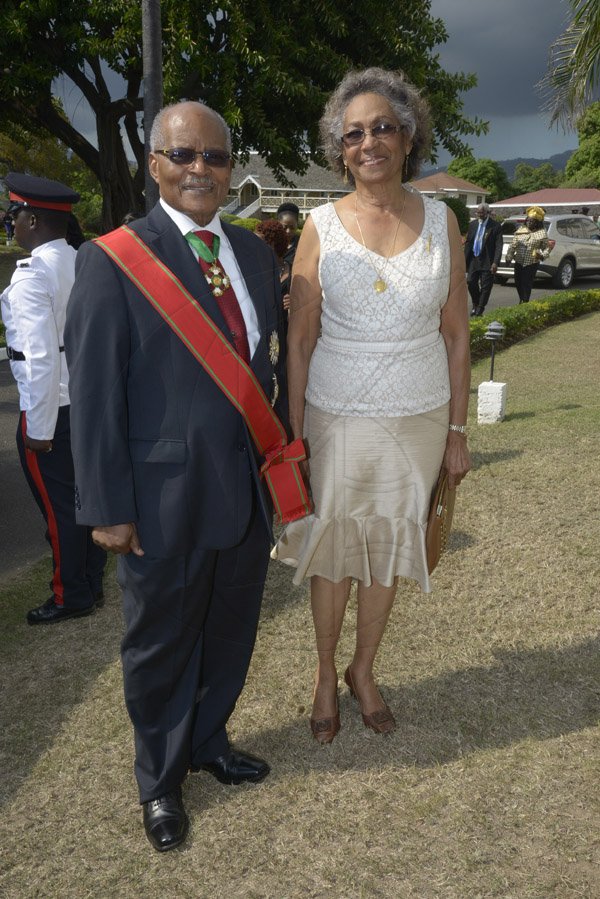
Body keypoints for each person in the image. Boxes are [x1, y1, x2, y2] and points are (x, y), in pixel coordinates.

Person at [65, 101, 290, 852]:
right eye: (184, 155)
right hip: (159, 500)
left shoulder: (256, 255)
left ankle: (209, 740)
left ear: (232, 169)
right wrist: (106, 504)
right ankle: (159, 781)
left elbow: (261, 369)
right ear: (155, 164)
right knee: (161, 642)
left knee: (230, 627)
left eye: (216, 157)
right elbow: (94, 394)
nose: (201, 169)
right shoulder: (114, 259)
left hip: (245, 488)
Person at [272, 67, 471, 745]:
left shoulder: (444, 222)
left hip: (419, 416)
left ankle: (364, 669)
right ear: (340, 148)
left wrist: (456, 430)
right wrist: (294, 437)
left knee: (388, 549)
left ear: (408, 135)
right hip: (337, 415)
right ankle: (326, 674)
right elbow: (297, 342)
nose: (369, 143)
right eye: (354, 133)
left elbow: (456, 333)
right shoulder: (319, 226)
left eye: (383, 127)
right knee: (334, 555)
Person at [0, 173, 106, 624]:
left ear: (33, 218)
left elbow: (38, 358)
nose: (12, 225)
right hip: (86, 402)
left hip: (51, 409)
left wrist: (38, 430)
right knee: (86, 499)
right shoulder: (83, 261)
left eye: (14, 216)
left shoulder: (31, 276)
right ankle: (91, 580)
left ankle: (70, 594)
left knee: (60, 509)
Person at [463, 203, 502, 316]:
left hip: (487, 260)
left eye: (482, 213)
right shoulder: (473, 225)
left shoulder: (495, 226)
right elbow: (468, 243)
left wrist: (495, 262)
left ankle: (480, 308)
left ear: (487, 213)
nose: (479, 215)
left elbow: (499, 245)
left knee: (486, 286)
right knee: (470, 282)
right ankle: (476, 303)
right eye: (478, 213)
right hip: (474, 259)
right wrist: (463, 260)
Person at [505, 205, 550, 303]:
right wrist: (509, 257)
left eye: (532, 221)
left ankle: (525, 301)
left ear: (537, 223)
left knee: (527, 283)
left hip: (531, 263)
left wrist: (542, 255)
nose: (529, 222)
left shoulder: (542, 233)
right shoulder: (521, 231)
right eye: (528, 220)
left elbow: (547, 247)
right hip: (519, 261)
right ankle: (522, 298)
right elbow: (513, 245)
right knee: (518, 282)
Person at [256, 218, 292, 319]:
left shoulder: (295, 273)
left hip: (287, 330)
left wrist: (297, 303)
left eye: (259, 244)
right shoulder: (252, 272)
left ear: (274, 244)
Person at [277, 201, 300, 295]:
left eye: (292, 227)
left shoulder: (302, 245)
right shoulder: (271, 245)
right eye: (284, 227)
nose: (288, 231)